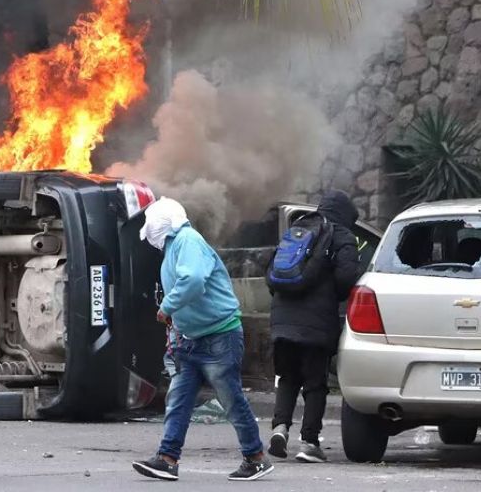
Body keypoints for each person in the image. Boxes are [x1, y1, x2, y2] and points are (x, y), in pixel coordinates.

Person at [131, 198, 273, 482]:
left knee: (230, 399)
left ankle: (256, 457)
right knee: (179, 400)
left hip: (219, 336)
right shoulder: (175, 246)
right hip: (191, 340)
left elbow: (193, 281)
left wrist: (167, 308)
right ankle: (167, 459)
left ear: (162, 225)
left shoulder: (187, 241)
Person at [268, 191, 360, 463]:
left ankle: (280, 429)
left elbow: (272, 274)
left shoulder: (298, 229)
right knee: (315, 384)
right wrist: (333, 294)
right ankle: (309, 442)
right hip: (316, 324)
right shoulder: (343, 236)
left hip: (282, 320)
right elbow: (346, 278)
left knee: (287, 377)